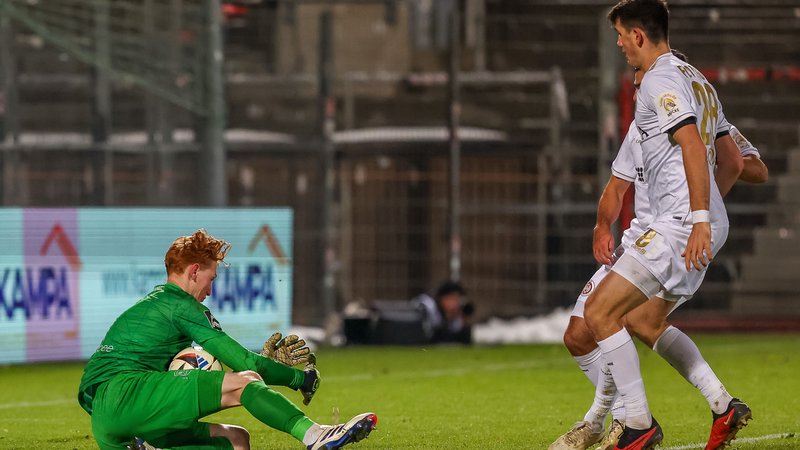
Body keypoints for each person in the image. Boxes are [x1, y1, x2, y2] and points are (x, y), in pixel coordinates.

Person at [549, 50, 766, 450]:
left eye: (637, 69)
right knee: (592, 332)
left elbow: (749, 165)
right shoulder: (641, 127)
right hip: (643, 239)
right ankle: (721, 404)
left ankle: (619, 423)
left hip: (671, 234)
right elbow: (616, 187)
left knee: (607, 315)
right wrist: (602, 225)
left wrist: (703, 205)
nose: (634, 80)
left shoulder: (691, 116)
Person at [78, 229, 377, 450]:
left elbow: (93, 383)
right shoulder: (183, 306)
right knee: (245, 380)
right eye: (211, 279)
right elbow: (244, 363)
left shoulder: (152, 306)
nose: (210, 290)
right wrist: (300, 379)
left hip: (106, 420)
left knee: (236, 439)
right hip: (129, 396)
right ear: (194, 271)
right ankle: (314, 435)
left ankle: (147, 443)